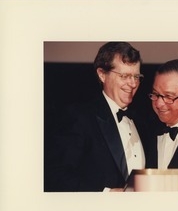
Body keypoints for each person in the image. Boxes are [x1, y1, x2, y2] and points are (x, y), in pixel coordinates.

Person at [44, 42, 154, 192]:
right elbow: (55, 176)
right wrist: (106, 194)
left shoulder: (142, 122)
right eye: (124, 76)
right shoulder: (79, 117)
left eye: (136, 76)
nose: (133, 83)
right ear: (102, 74)